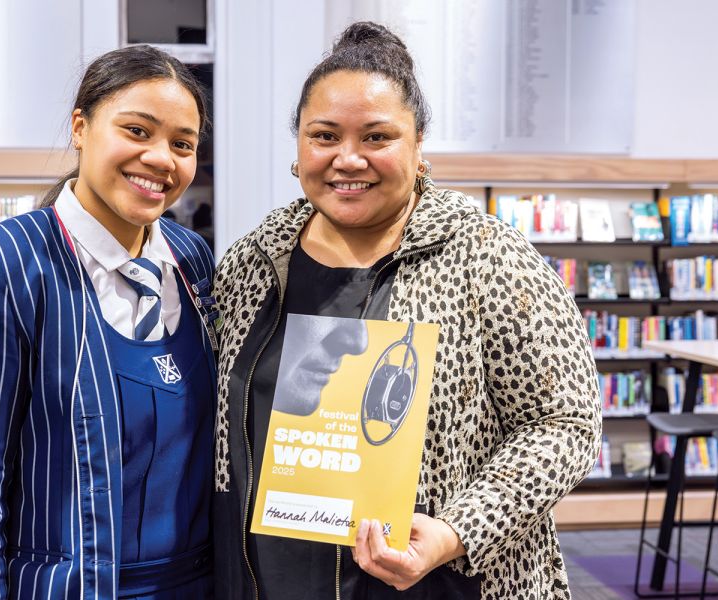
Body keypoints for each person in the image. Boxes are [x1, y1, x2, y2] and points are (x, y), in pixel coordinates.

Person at [212, 21, 602, 599]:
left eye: (377, 137)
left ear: (418, 146)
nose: (348, 158)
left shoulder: (485, 255)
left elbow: (566, 424)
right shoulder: (256, 260)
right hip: (266, 577)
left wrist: (456, 530)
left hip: (439, 581)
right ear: (299, 146)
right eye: (324, 136)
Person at [0, 45, 217, 599]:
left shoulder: (191, 259)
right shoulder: (5, 263)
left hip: (198, 584)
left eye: (183, 144)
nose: (162, 158)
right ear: (80, 127)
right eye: (137, 131)